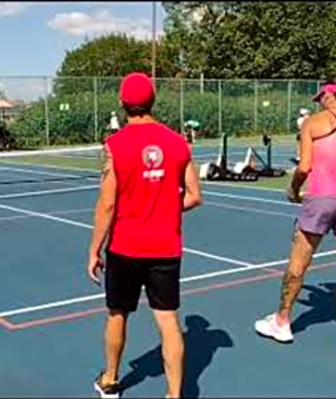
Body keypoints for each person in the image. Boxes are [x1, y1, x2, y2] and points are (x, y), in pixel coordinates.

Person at [87, 72, 203, 399]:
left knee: (117, 313)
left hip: (125, 247)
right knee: (168, 321)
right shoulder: (178, 142)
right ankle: (175, 394)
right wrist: (165, 208)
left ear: (124, 105)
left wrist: (94, 249)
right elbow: (194, 195)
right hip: (166, 247)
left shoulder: (114, 146)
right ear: (153, 101)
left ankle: (110, 380)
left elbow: (108, 204)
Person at [254, 83, 336, 344]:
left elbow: (303, 167)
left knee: (298, 262)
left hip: (321, 198)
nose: (319, 101)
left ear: (330, 94)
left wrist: (293, 190)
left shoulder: (312, 123)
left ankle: (282, 320)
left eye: (322, 96)